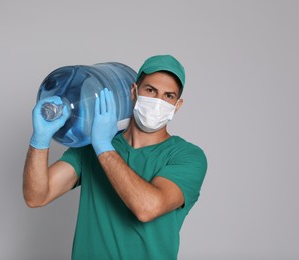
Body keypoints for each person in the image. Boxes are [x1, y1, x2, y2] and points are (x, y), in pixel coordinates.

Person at [23, 54, 207, 260]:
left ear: (177, 105)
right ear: (134, 91)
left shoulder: (187, 156)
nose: (158, 102)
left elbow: (147, 208)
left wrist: (103, 146)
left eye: (168, 96)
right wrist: (39, 140)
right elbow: (36, 196)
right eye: (150, 90)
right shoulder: (90, 145)